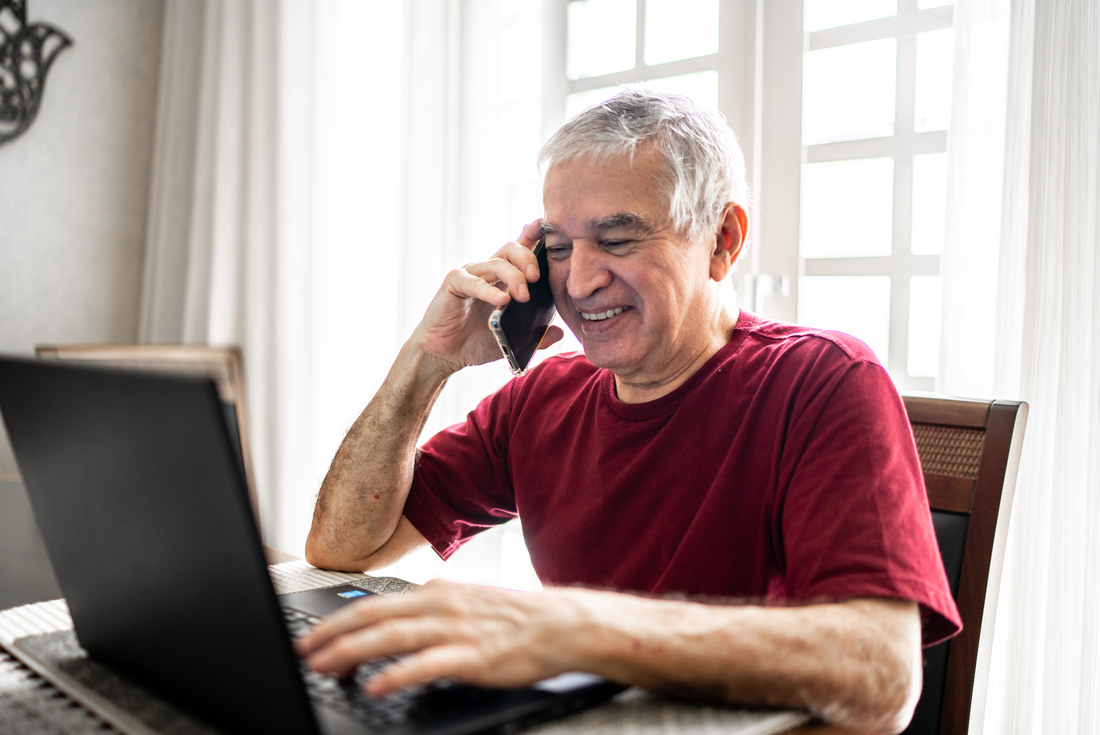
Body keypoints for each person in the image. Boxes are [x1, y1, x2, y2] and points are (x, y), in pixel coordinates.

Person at [296, 88, 960, 734]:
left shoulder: (824, 382)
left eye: (617, 240)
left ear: (723, 240)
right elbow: (346, 546)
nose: (579, 282)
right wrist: (427, 360)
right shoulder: (540, 400)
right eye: (557, 246)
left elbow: (883, 673)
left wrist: (574, 629)